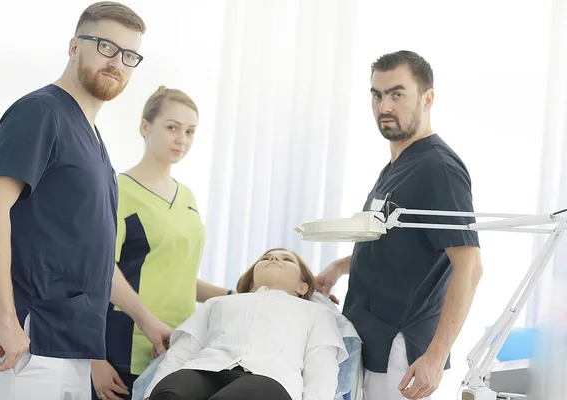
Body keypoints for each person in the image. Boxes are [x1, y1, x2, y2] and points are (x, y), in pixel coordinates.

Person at [0, 2, 172, 399]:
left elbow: (92, 258)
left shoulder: (94, 139)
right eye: (106, 47)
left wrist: (146, 320)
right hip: (27, 339)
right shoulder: (40, 112)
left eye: (130, 55)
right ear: (75, 46)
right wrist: (7, 322)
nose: (117, 63)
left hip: (72, 344)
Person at [316, 51, 484, 400]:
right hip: (369, 337)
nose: (384, 106)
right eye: (377, 95)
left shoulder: (438, 169)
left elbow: (469, 266)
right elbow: (397, 245)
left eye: (397, 93)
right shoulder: (396, 165)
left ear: (428, 98)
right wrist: (338, 267)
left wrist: (435, 357)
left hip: (401, 350)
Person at [91, 87, 232, 400]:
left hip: (181, 348)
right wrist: (93, 357)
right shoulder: (118, 191)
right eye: (172, 127)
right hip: (125, 348)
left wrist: (237, 295)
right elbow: (98, 273)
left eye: (190, 131)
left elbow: (175, 274)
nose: (181, 139)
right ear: (145, 127)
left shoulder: (188, 197)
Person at [142, 248, 348, 400]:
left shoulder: (317, 313)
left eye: (287, 259)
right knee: (169, 394)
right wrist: (150, 394)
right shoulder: (218, 303)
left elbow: (321, 370)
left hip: (269, 378)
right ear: (250, 282)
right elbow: (181, 352)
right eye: (265, 258)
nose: (274, 258)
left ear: (303, 287)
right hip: (204, 369)